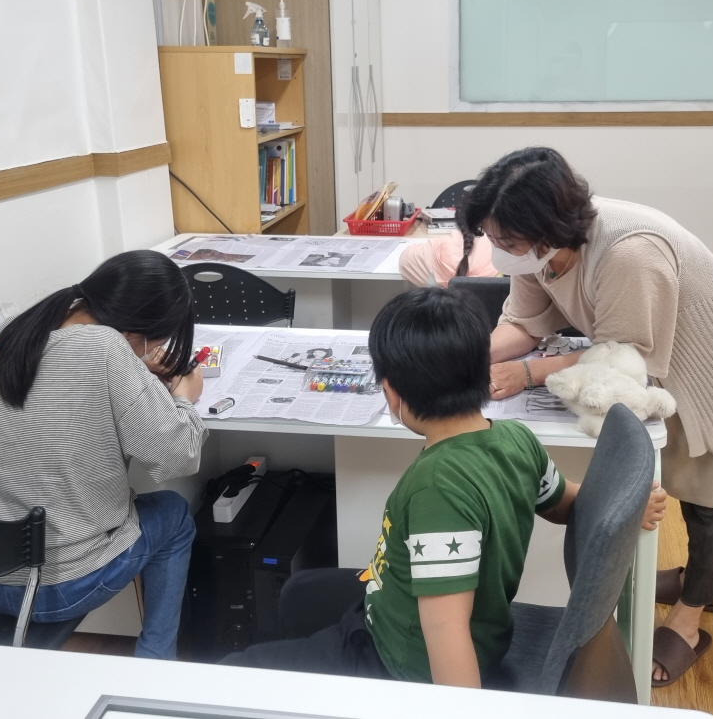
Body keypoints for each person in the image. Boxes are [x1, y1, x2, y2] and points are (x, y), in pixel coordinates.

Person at [458, 147, 713, 688]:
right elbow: (522, 324)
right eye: (493, 239)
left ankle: (688, 621)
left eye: (509, 241)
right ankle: (705, 582)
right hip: (661, 351)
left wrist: (528, 374)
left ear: (549, 229)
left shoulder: (628, 251)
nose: (500, 252)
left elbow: (626, 355)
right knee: (684, 470)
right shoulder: (536, 252)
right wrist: (467, 358)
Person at [222, 286, 669, 686]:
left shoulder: (437, 490)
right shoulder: (516, 440)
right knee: (302, 593)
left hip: (395, 662)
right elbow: (565, 504)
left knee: (234, 674)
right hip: (403, 613)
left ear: (391, 392)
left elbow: (445, 629)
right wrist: (623, 507)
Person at [0, 250, 208, 659]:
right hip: (58, 586)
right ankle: (156, 659)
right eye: (157, 342)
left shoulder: (21, 326)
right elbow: (178, 456)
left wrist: (137, 374)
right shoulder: (107, 347)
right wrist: (185, 397)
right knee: (173, 514)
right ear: (135, 333)